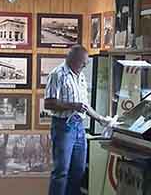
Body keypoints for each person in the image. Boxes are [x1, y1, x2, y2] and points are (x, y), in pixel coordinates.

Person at [45, 44, 110, 195]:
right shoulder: (57, 74)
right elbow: (49, 103)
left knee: (78, 170)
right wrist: (73, 105)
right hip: (63, 126)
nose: (85, 66)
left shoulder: (80, 76)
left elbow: (84, 105)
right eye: (83, 63)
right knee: (61, 171)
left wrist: (100, 119)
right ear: (73, 59)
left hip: (79, 127)